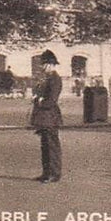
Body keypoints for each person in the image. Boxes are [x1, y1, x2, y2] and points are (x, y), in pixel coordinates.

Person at [29, 50, 63, 183]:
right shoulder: (47, 78)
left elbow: (52, 99)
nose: (43, 67)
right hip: (44, 117)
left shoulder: (55, 79)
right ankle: (46, 172)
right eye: (43, 64)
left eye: (45, 64)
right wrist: (37, 97)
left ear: (52, 64)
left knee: (51, 146)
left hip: (50, 116)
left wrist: (40, 100)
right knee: (45, 146)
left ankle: (54, 173)